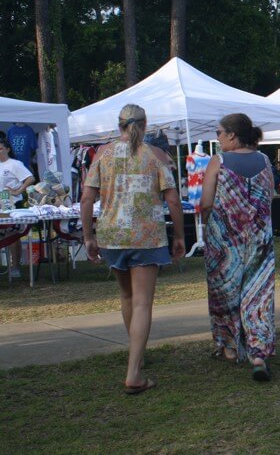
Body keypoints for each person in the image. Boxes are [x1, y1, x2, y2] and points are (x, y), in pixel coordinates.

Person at [80, 104, 186, 394]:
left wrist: (88, 236)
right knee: (142, 302)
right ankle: (134, 371)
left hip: (111, 235)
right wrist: (179, 235)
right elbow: (173, 201)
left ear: (119, 125)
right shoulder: (157, 156)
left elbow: (87, 199)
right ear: (146, 124)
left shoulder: (102, 154)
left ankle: (135, 354)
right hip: (146, 237)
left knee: (127, 296)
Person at [200, 113, 276, 382]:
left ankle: (230, 348)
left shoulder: (218, 162)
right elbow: (269, 196)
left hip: (225, 243)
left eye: (219, 133)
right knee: (258, 297)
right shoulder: (265, 161)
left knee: (225, 293)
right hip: (259, 241)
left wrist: (210, 224)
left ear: (232, 135)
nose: (217, 138)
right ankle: (258, 354)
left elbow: (206, 202)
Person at [1, 137, 37, 278]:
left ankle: (15, 266)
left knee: (13, 236)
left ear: (7, 149)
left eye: (1, 149)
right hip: (0, 203)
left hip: (13, 203)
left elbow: (30, 178)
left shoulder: (14, 164)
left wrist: (18, 190)